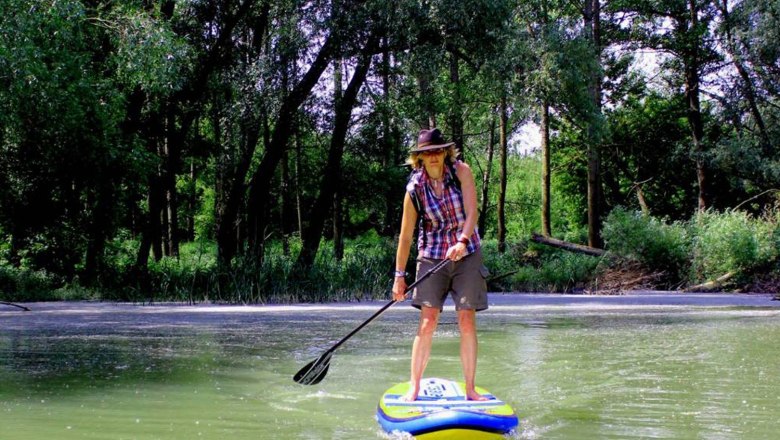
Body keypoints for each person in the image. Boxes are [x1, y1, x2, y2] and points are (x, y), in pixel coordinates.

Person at [392, 128, 489, 402]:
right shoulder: (414, 190)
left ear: (445, 152)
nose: (433, 156)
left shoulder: (461, 172)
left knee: (466, 320)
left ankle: (470, 390)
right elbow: (406, 236)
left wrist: (462, 240)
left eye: (438, 150)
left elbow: (472, 213)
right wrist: (399, 276)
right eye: (427, 152)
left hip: (466, 252)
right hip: (432, 254)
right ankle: (414, 387)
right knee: (427, 322)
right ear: (419, 158)